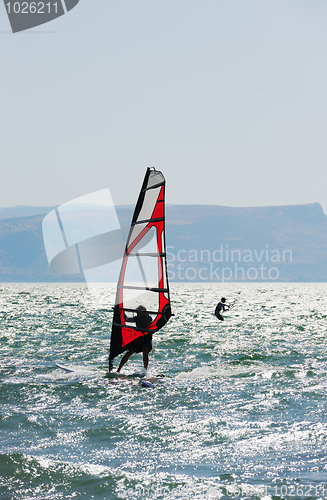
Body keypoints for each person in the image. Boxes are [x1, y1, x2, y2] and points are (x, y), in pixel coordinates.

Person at [117, 305, 153, 373]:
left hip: (147, 337)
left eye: (140, 312)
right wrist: (121, 311)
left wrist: (144, 313)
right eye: (138, 312)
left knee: (145, 351)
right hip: (138, 337)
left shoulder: (147, 317)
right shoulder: (136, 318)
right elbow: (127, 319)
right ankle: (118, 369)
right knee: (130, 351)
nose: (139, 314)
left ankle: (145, 370)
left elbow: (150, 319)